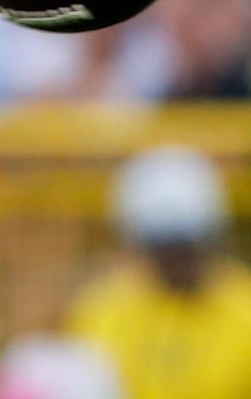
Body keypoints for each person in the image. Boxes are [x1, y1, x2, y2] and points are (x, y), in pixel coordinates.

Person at [65, 145, 251, 399]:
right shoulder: (104, 311)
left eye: (185, 248)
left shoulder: (243, 309)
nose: (176, 263)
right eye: (163, 250)